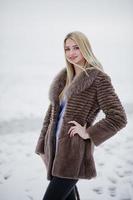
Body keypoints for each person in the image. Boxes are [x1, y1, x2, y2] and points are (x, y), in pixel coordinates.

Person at [35, 31, 127, 200]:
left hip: (73, 156)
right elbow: (51, 116)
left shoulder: (98, 78)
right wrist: (42, 146)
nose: (71, 53)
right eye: (67, 49)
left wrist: (88, 133)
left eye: (76, 47)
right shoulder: (64, 78)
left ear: (85, 48)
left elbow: (118, 117)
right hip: (54, 152)